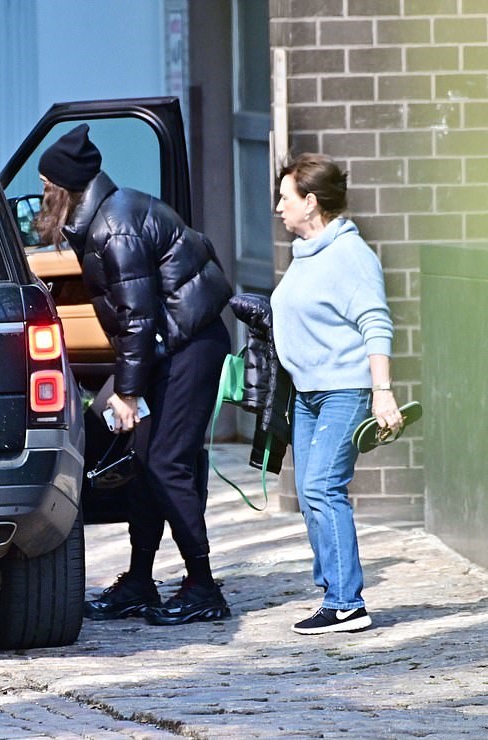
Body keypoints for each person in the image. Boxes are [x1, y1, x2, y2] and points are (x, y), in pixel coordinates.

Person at [35, 124, 233, 626]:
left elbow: (138, 319)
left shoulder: (114, 227)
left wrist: (126, 392)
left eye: (46, 185)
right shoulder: (104, 216)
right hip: (170, 345)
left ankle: (203, 586)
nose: (42, 195)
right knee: (145, 463)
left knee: (166, 463)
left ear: (65, 187)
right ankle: (140, 582)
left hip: (190, 346)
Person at [270, 153, 403, 635]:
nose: (278, 207)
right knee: (310, 495)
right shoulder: (306, 253)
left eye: (285, 198)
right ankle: (334, 592)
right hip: (307, 393)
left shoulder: (351, 255)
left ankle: (347, 603)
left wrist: (382, 393)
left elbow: (376, 323)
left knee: (323, 487)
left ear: (310, 202)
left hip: (344, 390)